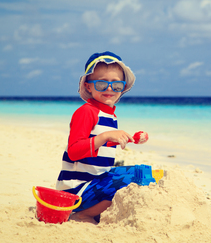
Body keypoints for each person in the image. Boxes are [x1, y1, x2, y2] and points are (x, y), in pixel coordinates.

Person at [56, 51, 153, 224]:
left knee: (143, 173)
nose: (110, 89)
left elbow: (101, 144)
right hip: (77, 190)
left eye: (116, 85)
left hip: (96, 181)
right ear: (88, 86)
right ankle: (83, 215)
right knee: (129, 180)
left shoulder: (109, 115)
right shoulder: (85, 112)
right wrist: (107, 135)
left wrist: (130, 139)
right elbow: (74, 152)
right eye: (101, 84)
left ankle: (95, 210)